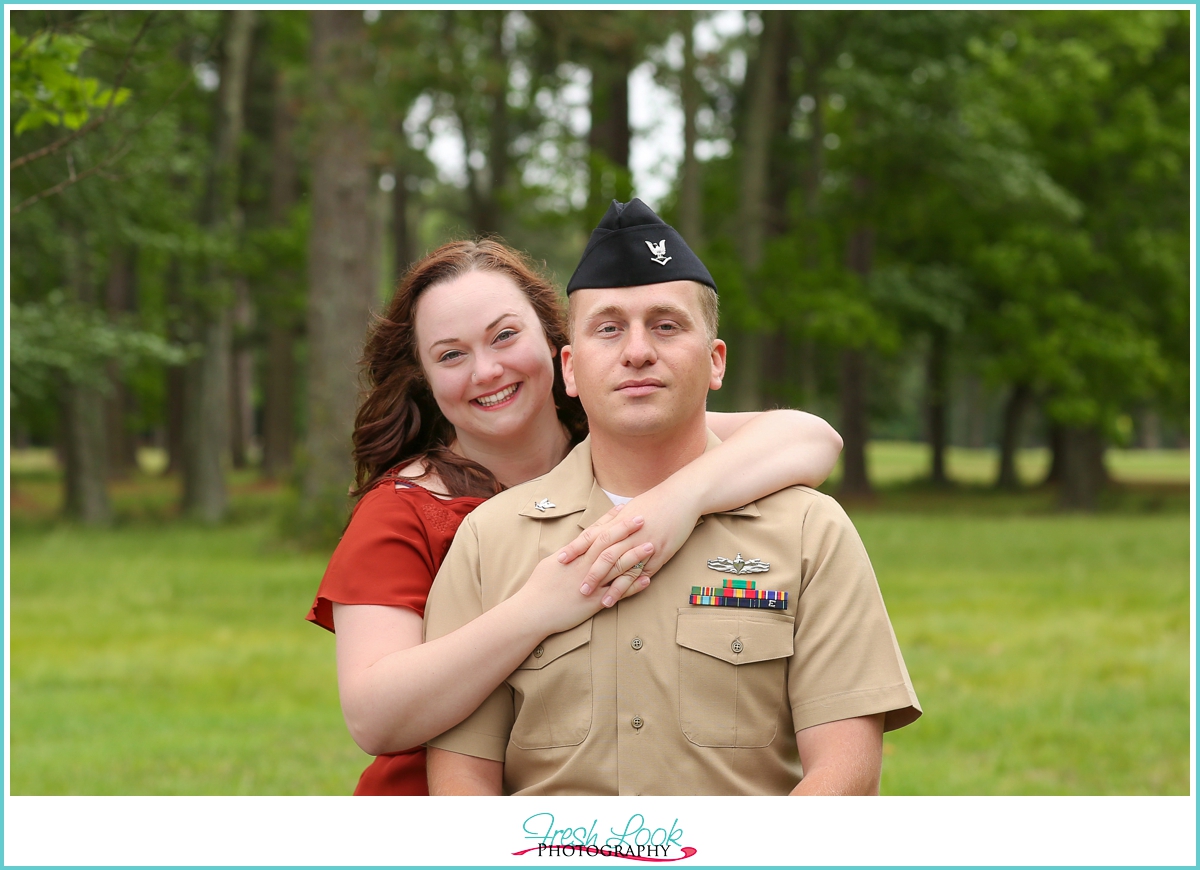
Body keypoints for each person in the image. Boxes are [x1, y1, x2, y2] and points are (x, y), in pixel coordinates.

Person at [306, 237, 845, 795]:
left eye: (505, 336)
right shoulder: (405, 511)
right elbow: (374, 717)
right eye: (451, 354)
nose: (487, 370)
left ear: (554, 344)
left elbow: (811, 437)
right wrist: (540, 608)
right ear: (424, 375)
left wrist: (677, 499)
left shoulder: (621, 448)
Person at [424, 200, 921, 796]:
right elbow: (461, 787)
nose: (637, 351)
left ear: (715, 363)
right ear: (571, 369)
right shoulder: (489, 540)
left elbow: (846, 772)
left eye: (666, 325)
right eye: (608, 328)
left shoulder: (810, 532)